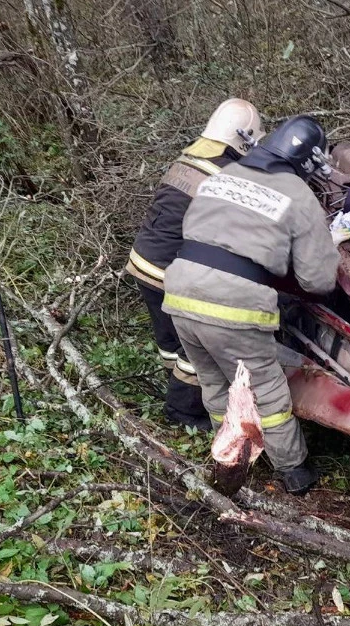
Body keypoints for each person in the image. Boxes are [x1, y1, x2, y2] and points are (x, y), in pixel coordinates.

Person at [162, 116, 340, 495]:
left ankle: (230, 450)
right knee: (267, 389)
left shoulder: (221, 176)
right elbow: (319, 281)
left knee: (213, 379)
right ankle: (293, 471)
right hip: (232, 304)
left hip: (179, 290)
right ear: (309, 164)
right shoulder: (298, 194)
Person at [126, 99, 264, 432]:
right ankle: (183, 411)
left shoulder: (190, 158)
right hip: (172, 272)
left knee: (170, 339)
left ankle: (176, 386)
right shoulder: (228, 174)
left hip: (143, 261)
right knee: (196, 347)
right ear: (243, 139)